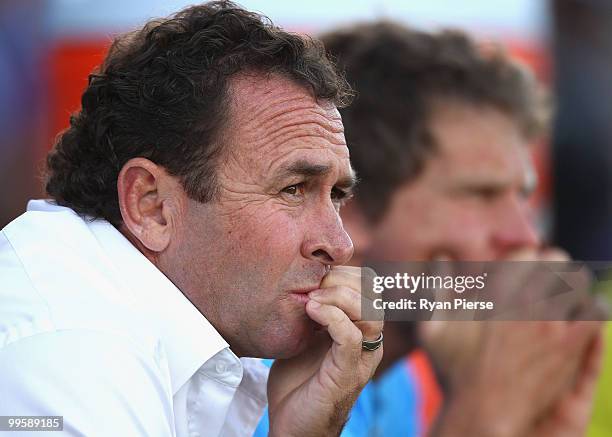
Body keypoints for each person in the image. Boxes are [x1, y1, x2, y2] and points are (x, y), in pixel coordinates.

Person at [0, 2, 384, 436]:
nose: (340, 243)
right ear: (152, 206)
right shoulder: (70, 354)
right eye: (293, 189)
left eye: (336, 196)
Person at [321, 22, 603, 436]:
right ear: (350, 209)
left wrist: (542, 424)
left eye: (522, 196)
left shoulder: (398, 382)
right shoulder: (253, 384)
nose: (524, 237)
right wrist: (483, 408)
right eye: (481, 194)